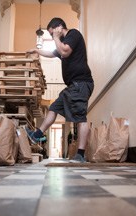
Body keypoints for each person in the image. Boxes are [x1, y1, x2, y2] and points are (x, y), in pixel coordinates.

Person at [26, 17, 94, 163]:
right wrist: (36, 50)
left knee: (80, 117)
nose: (52, 36)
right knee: (53, 107)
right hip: (72, 86)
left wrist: (56, 37)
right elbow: (52, 53)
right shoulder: (63, 41)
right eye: (50, 35)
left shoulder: (73, 35)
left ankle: (80, 154)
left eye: (52, 33)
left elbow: (64, 52)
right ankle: (37, 134)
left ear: (59, 27)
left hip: (81, 83)